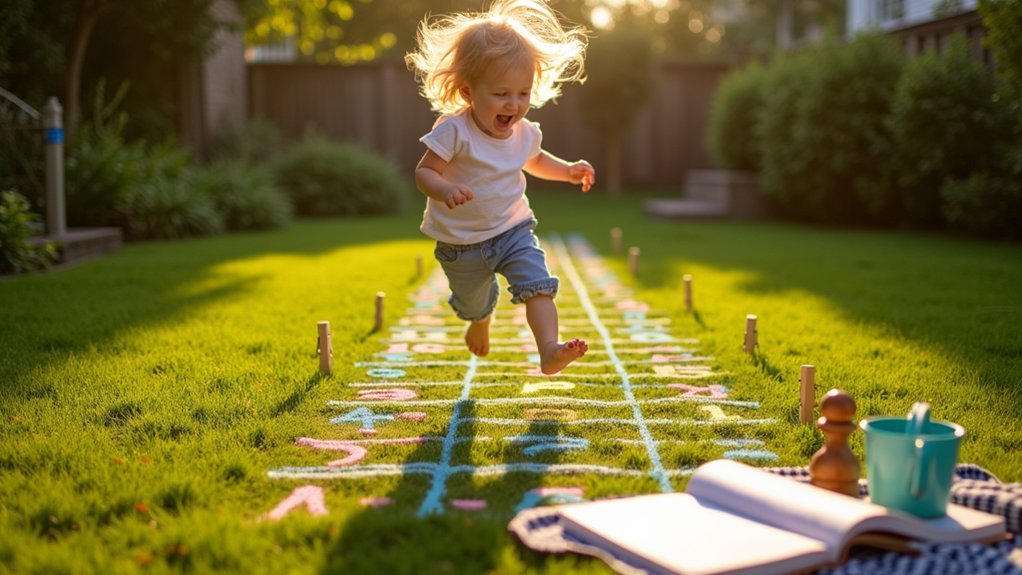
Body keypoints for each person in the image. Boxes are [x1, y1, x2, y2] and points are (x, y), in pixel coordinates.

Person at [405, 0, 595, 375]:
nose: (514, 104)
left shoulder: (524, 132)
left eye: (523, 93)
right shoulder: (454, 130)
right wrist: (444, 190)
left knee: (538, 283)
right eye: (502, 93)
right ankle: (481, 318)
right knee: (473, 303)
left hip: (513, 230)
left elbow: (536, 161)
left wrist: (568, 170)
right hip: (461, 243)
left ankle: (549, 349)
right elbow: (424, 172)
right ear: (468, 91)